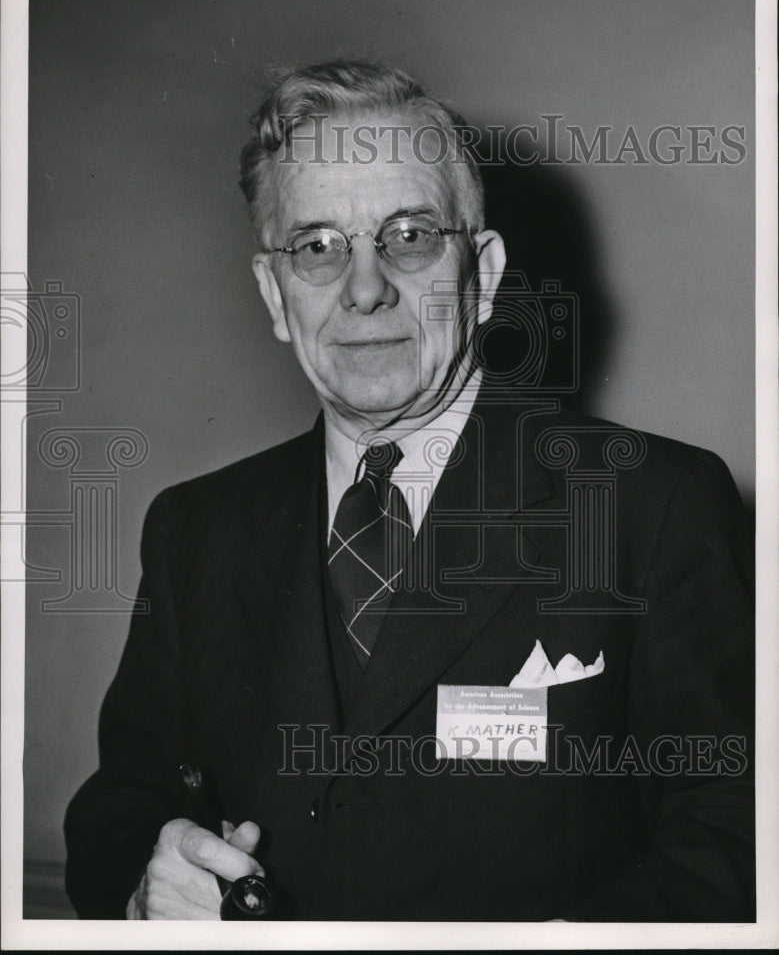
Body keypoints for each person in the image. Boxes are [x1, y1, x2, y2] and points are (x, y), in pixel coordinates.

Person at [64, 60, 754, 922]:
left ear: (485, 270)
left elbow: (736, 833)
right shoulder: (194, 528)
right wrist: (144, 880)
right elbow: (122, 799)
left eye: (409, 236)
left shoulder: (650, 504)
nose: (363, 289)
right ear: (274, 295)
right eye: (315, 248)